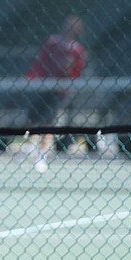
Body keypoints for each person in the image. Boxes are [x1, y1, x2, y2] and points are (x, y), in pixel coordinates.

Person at [24, 15, 87, 172]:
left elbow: (76, 71)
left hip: (59, 92)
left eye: (74, 28)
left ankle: (42, 154)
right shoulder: (52, 42)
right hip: (43, 86)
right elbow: (40, 61)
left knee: (48, 123)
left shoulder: (77, 50)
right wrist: (33, 77)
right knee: (33, 119)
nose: (70, 30)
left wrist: (68, 70)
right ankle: (30, 147)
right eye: (68, 27)